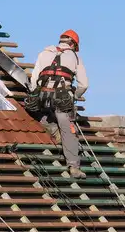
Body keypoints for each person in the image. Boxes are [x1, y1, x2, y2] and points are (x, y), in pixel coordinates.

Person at [29, 29, 88, 179]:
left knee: (40, 114)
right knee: (68, 129)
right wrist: (74, 96)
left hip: (42, 95)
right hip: (62, 98)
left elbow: (34, 80)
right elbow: (84, 85)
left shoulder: (43, 53)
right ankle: (73, 166)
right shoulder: (75, 57)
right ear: (73, 44)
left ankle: (52, 129)